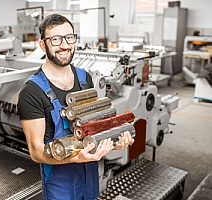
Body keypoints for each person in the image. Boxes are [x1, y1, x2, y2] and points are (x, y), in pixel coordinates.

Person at [17, 13, 134, 200]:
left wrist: (113, 143)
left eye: (69, 37)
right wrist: (76, 157)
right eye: (55, 39)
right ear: (42, 44)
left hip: (89, 178)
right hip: (60, 184)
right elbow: (36, 151)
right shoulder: (32, 92)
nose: (64, 45)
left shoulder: (85, 79)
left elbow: (92, 131)